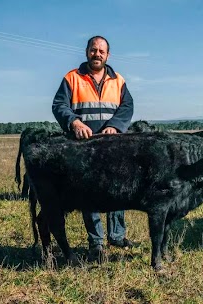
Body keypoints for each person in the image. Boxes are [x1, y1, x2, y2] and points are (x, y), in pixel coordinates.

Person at [52, 35, 135, 260]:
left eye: (101, 51)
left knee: (118, 190)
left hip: (113, 147)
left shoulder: (118, 80)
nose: (97, 54)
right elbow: (59, 105)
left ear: (108, 55)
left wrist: (115, 127)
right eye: (93, 49)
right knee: (90, 194)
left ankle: (117, 235)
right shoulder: (72, 78)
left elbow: (127, 107)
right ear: (87, 51)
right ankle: (96, 242)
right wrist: (74, 122)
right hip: (85, 148)